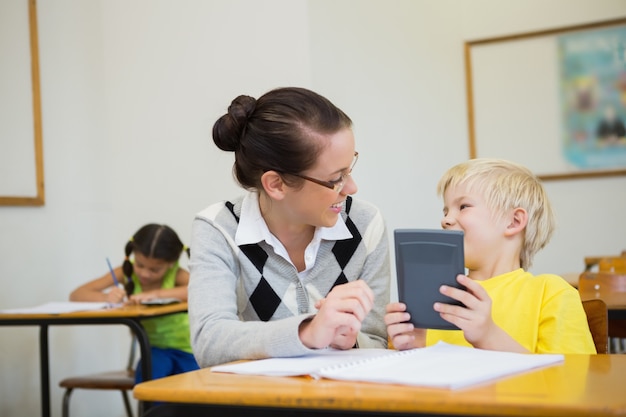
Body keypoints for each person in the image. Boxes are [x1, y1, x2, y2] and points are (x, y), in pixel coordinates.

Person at [188, 87, 391, 367]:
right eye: (336, 179)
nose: (352, 188)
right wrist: (308, 331)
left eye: (350, 169)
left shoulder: (365, 224)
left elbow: (374, 340)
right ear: (276, 184)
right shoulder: (218, 228)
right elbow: (210, 341)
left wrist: (349, 339)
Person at [386, 158, 596, 354]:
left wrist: (489, 336)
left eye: (463, 206)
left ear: (514, 221)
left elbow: (572, 382)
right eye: (445, 211)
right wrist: (416, 348)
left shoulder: (551, 293)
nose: (446, 220)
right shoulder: (436, 299)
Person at [69, 223, 200, 382]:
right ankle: (151, 409)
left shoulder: (176, 274)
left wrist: (156, 294)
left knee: (196, 387)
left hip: (189, 349)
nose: (145, 273)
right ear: (132, 255)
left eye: (154, 270)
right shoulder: (126, 272)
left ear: (170, 263)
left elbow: (201, 289)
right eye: (140, 265)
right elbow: (77, 294)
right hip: (154, 349)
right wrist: (107, 298)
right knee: (150, 378)